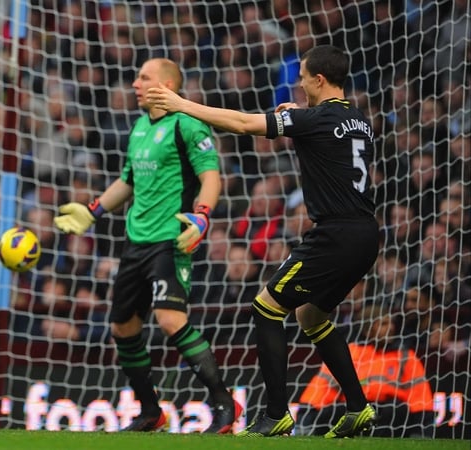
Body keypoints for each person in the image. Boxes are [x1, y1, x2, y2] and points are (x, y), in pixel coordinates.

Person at [146, 45, 379, 438]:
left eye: (303, 76)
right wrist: (296, 116)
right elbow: (323, 139)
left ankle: (275, 414)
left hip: (335, 234)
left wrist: (179, 103)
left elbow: (240, 123)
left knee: (266, 308)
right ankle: (357, 408)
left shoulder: (315, 118)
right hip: (365, 234)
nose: (299, 82)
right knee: (310, 315)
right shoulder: (358, 119)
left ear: (319, 80)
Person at [54, 58, 242, 434]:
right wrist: (93, 211)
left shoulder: (188, 124)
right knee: (123, 328)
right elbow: (128, 181)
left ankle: (224, 403)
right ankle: (150, 411)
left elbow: (210, 177)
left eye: (144, 77)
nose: (135, 83)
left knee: (170, 319)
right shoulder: (139, 126)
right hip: (135, 242)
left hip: (170, 240)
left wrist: (202, 215)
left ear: (167, 85)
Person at [298, 305, 434, 438]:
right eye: (383, 324)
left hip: (388, 413)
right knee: (331, 412)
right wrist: (306, 421)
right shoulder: (350, 352)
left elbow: (420, 398)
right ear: (368, 330)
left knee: (396, 409)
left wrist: (421, 432)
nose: (391, 328)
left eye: (391, 323)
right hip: (353, 410)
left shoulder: (405, 356)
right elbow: (321, 389)